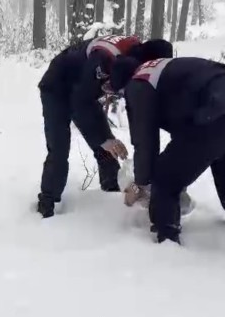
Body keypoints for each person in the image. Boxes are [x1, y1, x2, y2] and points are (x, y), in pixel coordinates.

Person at [109, 56, 225, 244]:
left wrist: (140, 184)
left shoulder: (139, 82)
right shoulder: (162, 69)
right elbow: (187, 133)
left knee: (165, 175)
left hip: (223, 110)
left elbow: (145, 142)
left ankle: (167, 241)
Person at [35, 34, 174, 218]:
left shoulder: (134, 55)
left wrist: (113, 141)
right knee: (59, 149)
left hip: (84, 90)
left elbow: (134, 107)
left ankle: (111, 194)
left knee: (109, 148)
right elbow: (79, 102)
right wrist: (103, 140)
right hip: (56, 86)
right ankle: (47, 204)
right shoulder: (105, 56)